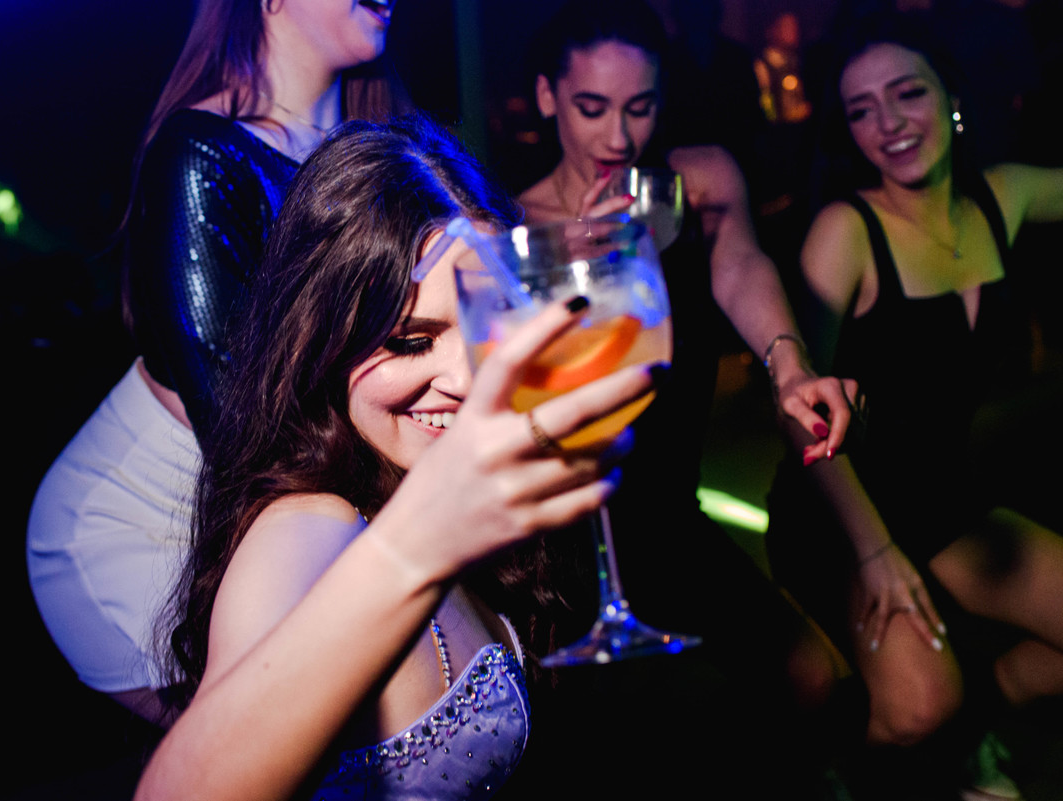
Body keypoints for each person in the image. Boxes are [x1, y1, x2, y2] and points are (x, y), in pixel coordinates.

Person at [133, 116, 658, 801]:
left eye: (490, 324)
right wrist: (419, 543)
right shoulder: (305, 526)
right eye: (411, 341)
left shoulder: (458, 498)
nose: (467, 378)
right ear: (320, 342)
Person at [510, 1, 860, 795]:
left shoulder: (695, 186)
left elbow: (740, 267)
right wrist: (587, 270)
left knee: (815, 681)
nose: (618, 136)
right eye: (591, 107)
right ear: (546, 97)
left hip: (669, 512)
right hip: (559, 543)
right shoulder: (511, 227)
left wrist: (791, 366)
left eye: (639, 107)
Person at [26, 0, 409, 724]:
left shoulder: (381, 148)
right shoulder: (201, 152)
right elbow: (249, 435)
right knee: (283, 751)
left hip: (290, 515)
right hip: (140, 525)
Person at [766, 14, 1063, 797]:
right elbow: (795, 412)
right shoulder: (846, 230)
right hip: (839, 510)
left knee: (955, 705)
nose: (890, 123)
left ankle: (972, 733)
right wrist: (874, 551)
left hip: (947, 500)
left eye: (908, 93)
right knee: (920, 707)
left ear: (950, 97)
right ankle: (834, 772)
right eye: (862, 110)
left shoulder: (1004, 196)